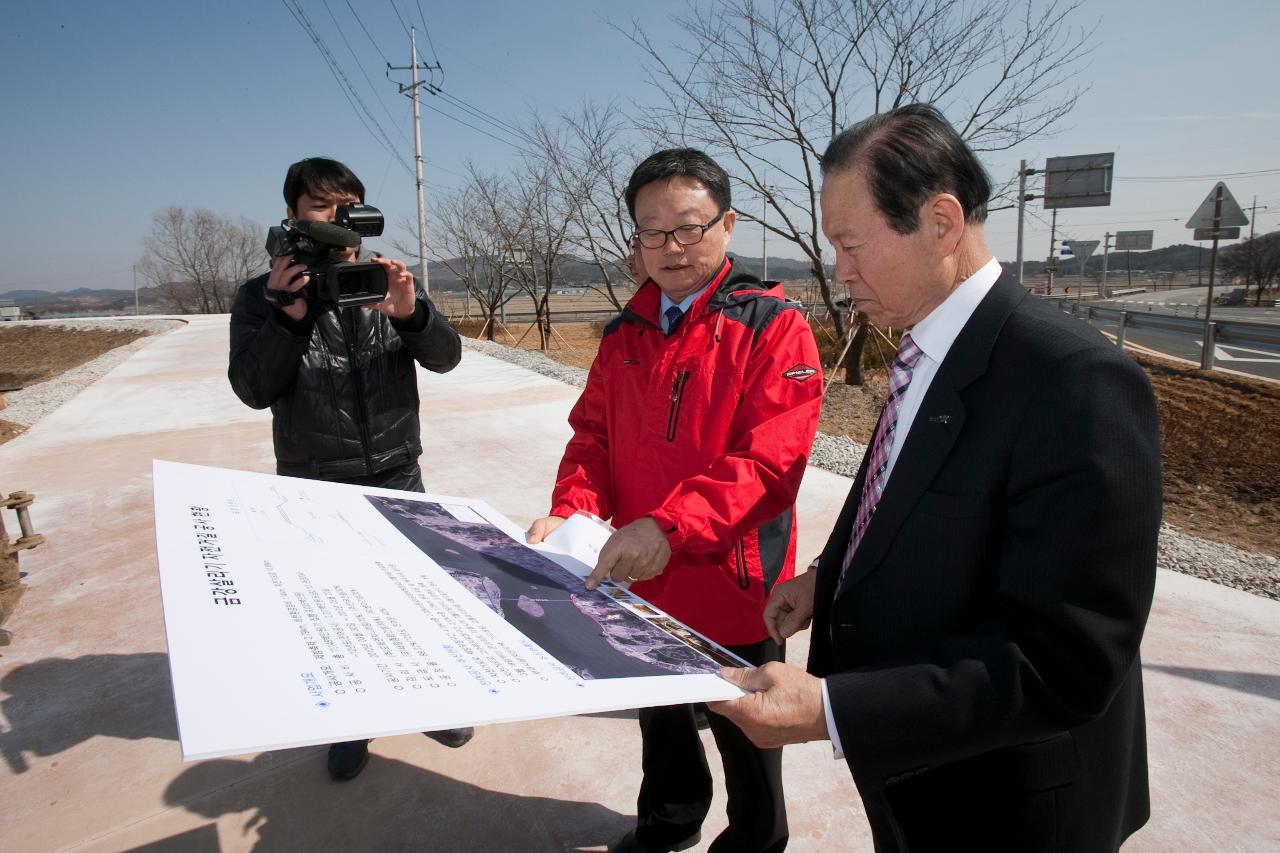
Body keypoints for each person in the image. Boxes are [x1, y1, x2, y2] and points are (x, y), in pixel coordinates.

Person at [709, 104, 1162, 852]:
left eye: (851, 245)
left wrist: (833, 709)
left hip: (1012, 803)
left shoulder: (1072, 378)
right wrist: (830, 573)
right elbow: (901, 492)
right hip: (921, 777)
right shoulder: (928, 343)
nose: (839, 271)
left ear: (942, 223)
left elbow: (1067, 658)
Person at [527, 148, 823, 853]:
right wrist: (572, 511)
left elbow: (770, 462)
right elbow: (591, 439)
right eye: (651, 232)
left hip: (733, 584)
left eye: (689, 226)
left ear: (728, 223)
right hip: (637, 579)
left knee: (748, 731)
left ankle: (756, 836)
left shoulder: (771, 325)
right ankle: (670, 816)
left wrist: (671, 523)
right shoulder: (626, 331)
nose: (671, 247)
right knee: (659, 723)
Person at [228, 156, 474, 782]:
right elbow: (254, 389)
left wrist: (412, 313)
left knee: (415, 599)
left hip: (397, 471)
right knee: (338, 616)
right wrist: (289, 317)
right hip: (316, 480)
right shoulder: (261, 295)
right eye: (320, 206)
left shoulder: (383, 279)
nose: (336, 219)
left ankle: (431, 700)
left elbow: (446, 358)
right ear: (292, 214)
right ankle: (351, 724)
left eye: (347, 207)